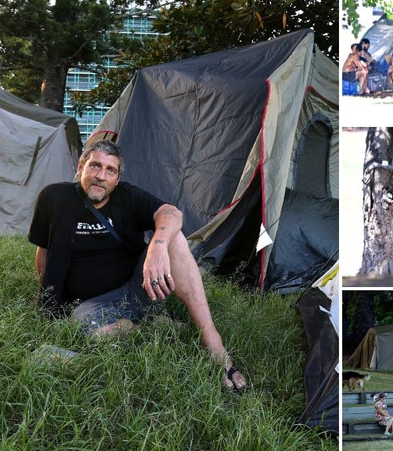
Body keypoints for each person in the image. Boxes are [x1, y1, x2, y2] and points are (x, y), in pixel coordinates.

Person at [28, 139, 246, 393]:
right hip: (89, 306)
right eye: (95, 166)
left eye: (111, 170)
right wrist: (46, 292)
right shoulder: (54, 197)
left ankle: (213, 342)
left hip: (141, 288)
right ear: (81, 167)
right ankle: (150, 324)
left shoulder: (128, 197)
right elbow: (43, 251)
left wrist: (157, 246)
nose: (101, 176)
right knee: (91, 333)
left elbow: (171, 212)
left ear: (118, 178)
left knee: (173, 236)